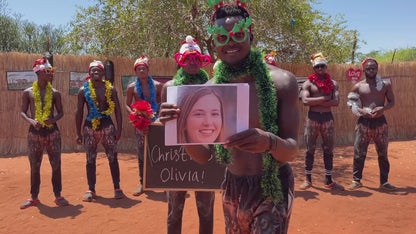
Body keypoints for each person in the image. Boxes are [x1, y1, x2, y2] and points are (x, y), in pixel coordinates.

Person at [159, 3, 299, 233]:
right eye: (222, 37)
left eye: (237, 34)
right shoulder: (210, 89)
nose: (230, 42)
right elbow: (203, 156)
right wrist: (179, 128)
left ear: (250, 36)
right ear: (214, 43)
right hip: (233, 185)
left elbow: (292, 150)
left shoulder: (282, 82)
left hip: (272, 186)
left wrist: (269, 142)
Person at [161, 35, 215, 234]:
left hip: (205, 154)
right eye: (188, 59)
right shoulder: (169, 87)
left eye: (196, 59)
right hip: (177, 158)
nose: (192, 63)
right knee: (174, 210)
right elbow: (163, 123)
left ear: (202, 61)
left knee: (206, 209)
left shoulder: (212, 85)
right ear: (180, 61)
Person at [20, 57, 68, 209]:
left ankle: (58, 195)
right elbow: (22, 112)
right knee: (34, 165)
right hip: (34, 133)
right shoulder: (28, 92)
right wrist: (32, 121)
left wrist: (53, 119)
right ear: (39, 73)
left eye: (52, 72)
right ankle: (34, 197)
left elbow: (61, 113)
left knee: (56, 164)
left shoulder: (55, 93)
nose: (51, 75)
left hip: (53, 133)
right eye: (48, 72)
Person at [75, 60, 124, 201]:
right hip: (90, 127)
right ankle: (91, 189)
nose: (95, 72)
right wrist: (78, 133)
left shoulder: (111, 89)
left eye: (98, 70)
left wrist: (119, 129)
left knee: (113, 157)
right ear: (89, 73)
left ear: (103, 73)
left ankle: (117, 187)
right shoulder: (83, 91)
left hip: (107, 125)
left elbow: (118, 110)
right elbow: (78, 112)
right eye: (93, 70)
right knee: (90, 158)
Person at [347, 58, 396, 191]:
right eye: (368, 68)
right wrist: (362, 111)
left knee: (383, 153)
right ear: (364, 70)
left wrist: (383, 109)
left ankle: (384, 182)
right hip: (364, 122)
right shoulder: (358, 86)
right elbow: (350, 103)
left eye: (373, 67)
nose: (371, 70)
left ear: (377, 69)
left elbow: (392, 102)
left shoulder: (385, 85)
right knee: (359, 151)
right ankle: (356, 180)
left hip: (381, 122)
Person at [299, 52, 344, 191]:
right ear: (314, 68)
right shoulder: (308, 84)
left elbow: (336, 102)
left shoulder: (333, 84)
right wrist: (324, 99)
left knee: (328, 148)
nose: (320, 69)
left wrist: (317, 102)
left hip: (327, 119)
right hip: (312, 118)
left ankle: (329, 180)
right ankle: (308, 179)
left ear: (326, 67)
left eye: (322, 66)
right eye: (317, 67)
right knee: (309, 149)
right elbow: (305, 101)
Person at [125, 55, 162, 196]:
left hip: (155, 123)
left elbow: (162, 102)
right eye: (138, 69)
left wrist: (156, 117)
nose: (141, 71)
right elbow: (127, 104)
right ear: (135, 72)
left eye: (143, 68)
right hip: (140, 123)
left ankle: (161, 181)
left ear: (148, 70)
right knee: (141, 153)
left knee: (157, 151)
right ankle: (143, 183)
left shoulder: (158, 86)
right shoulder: (131, 88)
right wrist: (135, 114)